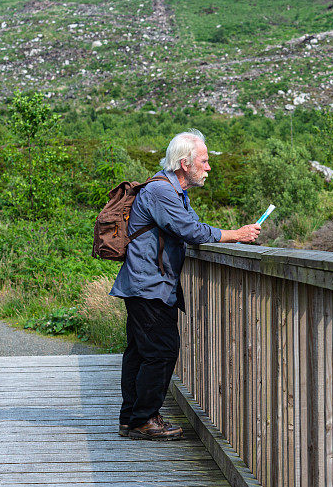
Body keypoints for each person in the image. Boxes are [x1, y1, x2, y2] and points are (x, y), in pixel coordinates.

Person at [110, 129, 260, 440]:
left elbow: (187, 227)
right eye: (203, 161)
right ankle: (143, 419)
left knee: (140, 351)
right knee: (161, 351)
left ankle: (132, 417)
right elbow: (189, 229)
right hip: (149, 286)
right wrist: (237, 234)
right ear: (184, 163)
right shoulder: (162, 192)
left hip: (147, 284)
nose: (208, 167)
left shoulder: (172, 190)